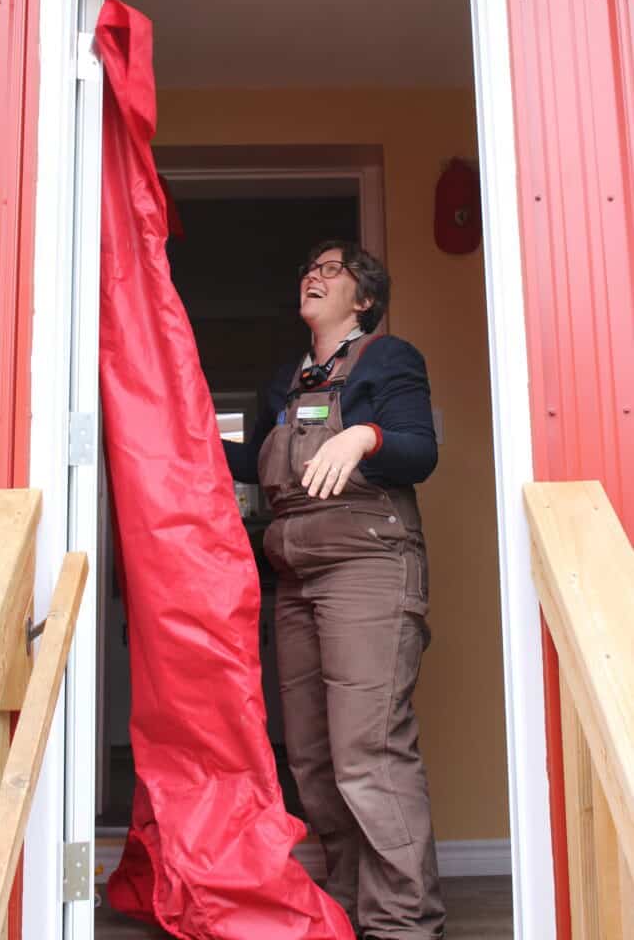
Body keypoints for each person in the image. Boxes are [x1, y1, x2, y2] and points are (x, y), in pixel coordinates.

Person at [223, 240, 446, 940]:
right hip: (295, 577)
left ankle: (404, 922)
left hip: (367, 563)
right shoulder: (285, 381)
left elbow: (420, 449)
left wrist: (364, 437)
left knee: (366, 752)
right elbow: (253, 462)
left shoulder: (387, 358)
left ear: (364, 299)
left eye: (331, 270)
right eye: (308, 270)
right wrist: (173, 432)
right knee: (314, 758)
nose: (312, 277)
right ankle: (351, 908)